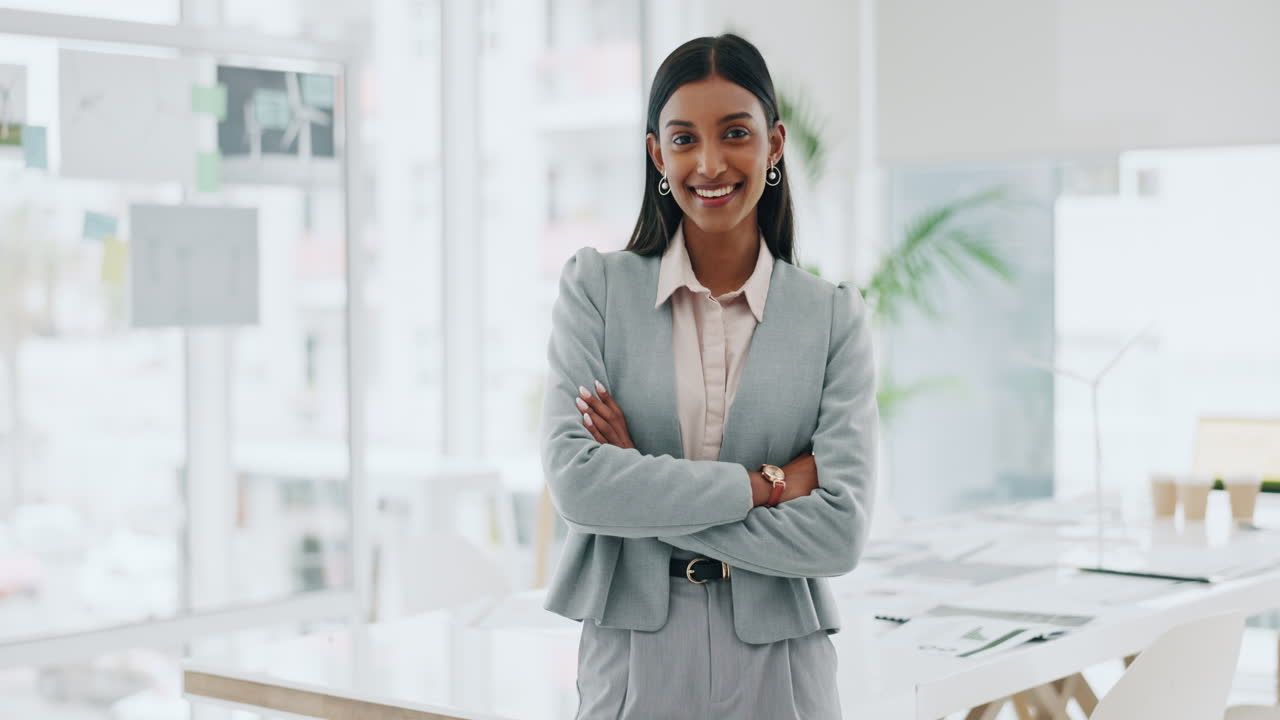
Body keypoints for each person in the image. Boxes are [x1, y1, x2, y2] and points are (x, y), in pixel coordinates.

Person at [539, 33, 878, 720]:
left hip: (782, 658)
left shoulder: (832, 317)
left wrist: (639, 483)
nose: (711, 162)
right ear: (657, 154)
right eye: (685, 138)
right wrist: (766, 486)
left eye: (735, 133)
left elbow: (838, 532)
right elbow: (579, 485)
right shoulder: (596, 291)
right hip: (635, 650)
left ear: (774, 144)